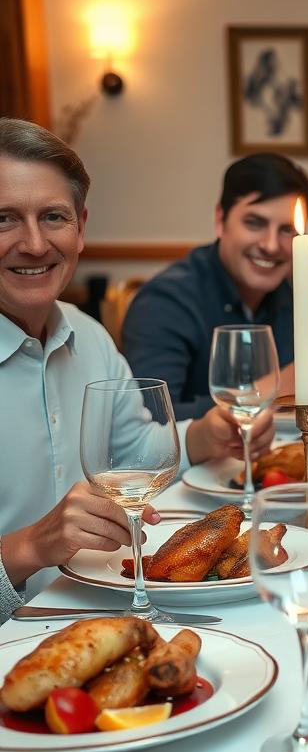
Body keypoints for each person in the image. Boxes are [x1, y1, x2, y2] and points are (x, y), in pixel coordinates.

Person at [0, 118, 273, 613]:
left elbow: (132, 451)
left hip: (99, 604)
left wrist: (203, 435)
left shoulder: (87, 334)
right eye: (5, 218)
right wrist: (28, 548)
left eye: (54, 218)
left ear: (81, 228)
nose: (35, 244)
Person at [121, 153, 308, 418]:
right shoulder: (165, 301)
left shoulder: (297, 293)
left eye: (287, 230)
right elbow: (151, 419)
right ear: (220, 220)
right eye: (254, 223)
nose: (271, 245)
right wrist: (270, 391)